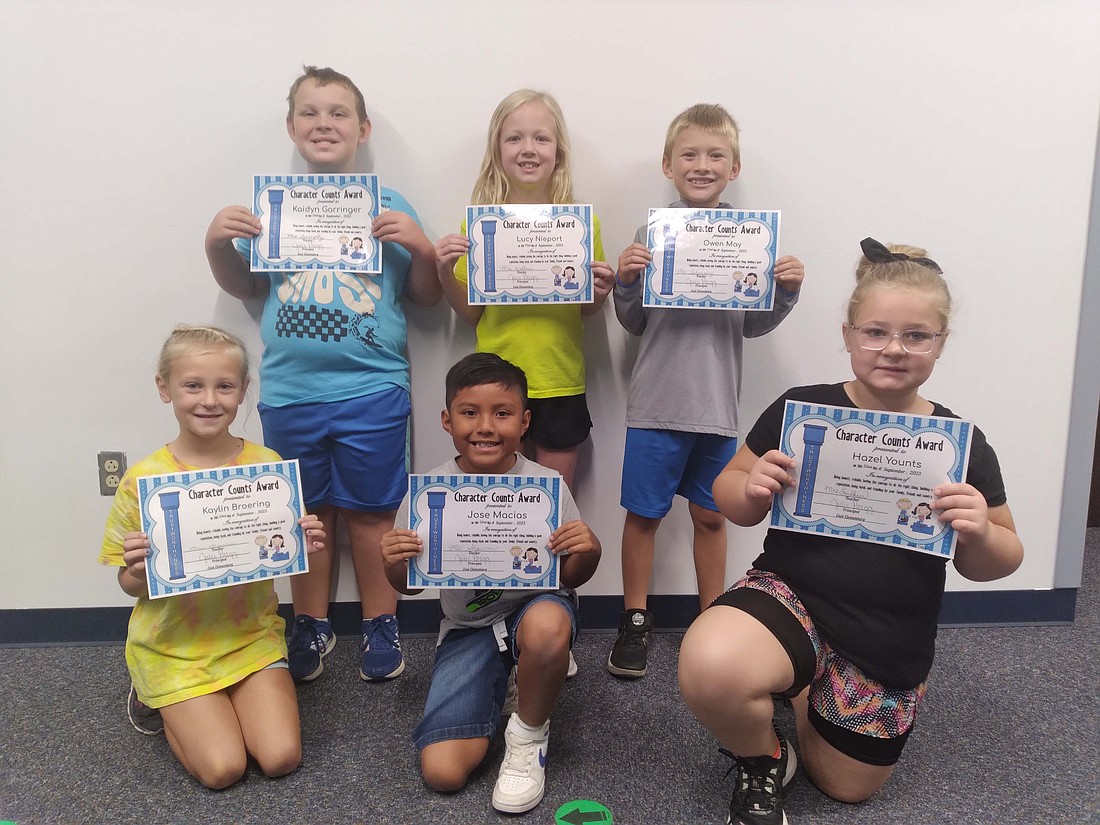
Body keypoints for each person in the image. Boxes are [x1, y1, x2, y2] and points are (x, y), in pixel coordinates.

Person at [678, 239, 1023, 824]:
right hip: (792, 594)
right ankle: (763, 757)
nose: (894, 349)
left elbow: (1000, 558)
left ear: (941, 344)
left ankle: (809, 686)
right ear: (847, 334)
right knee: (711, 665)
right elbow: (729, 500)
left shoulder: (960, 441)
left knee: (845, 788)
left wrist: (980, 532)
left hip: (888, 627)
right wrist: (753, 483)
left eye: (917, 335)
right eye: (876, 332)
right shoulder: (800, 409)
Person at [203, 66, 441, 684]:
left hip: (373, 386)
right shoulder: (271, 208)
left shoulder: (390, 205)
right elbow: (247, 285)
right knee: (305, 514)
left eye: (338, 113)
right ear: (291, 127)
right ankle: (309, 621)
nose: (323, 124)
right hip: (290, 391)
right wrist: (215, 247)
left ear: (362, 129)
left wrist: (420, 247)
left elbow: (424, 297)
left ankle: (380, 622)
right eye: (310, 113)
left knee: (372, 511)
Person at [607, 104, 805, 678]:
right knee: (643, 516)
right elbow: (635, 323)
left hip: (718, 410)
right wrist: (625, 282)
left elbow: (754, 324)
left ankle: (714, 615)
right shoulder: (652, 235)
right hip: (655, 407)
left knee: (711, 517)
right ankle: (635, 618)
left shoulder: (750, 241)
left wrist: (785, 292)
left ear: (734, 167)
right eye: (689, 154)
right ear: (669, 164)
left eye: (715, 154)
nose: (702, 164)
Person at [99, 325, 326, 789]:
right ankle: (161, 701)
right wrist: (138, 571)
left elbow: (283, 549)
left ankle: (212, 706)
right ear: (164, 389)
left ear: (243, 390)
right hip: (174, 646)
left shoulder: (268, 466)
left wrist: (305, 537)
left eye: (225, 385)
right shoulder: (143, 481)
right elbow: (128, 583)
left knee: (280, 757)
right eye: (192, 385)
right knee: (224, 769)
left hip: (250, 637)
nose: (209, 400)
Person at [381, 353, 602, 814]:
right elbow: (410, 586)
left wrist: (589, 550)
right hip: (469, 626)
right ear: (447, 420)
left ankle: (528, 734)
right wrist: (394, 561)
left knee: (545, 627)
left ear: (524, 422)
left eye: (501, 414)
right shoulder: (428, 492)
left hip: (534, 609)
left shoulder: (546, 486)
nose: (485, 427)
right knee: (443, 772)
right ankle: (513, 678)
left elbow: (571, 575)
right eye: (469, 413)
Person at [434, 89, 615, 489]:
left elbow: (586, 308)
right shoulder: (479, 227)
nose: (528, 149)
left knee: (551, 504)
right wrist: (445, 271)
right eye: (514, 138)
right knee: (496, 504)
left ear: (559, 152)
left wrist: (601, 292)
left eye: (541, 138)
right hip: (492, 383)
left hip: (560, 377)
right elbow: (470, 313)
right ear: (497, 150)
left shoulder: (583, 225)